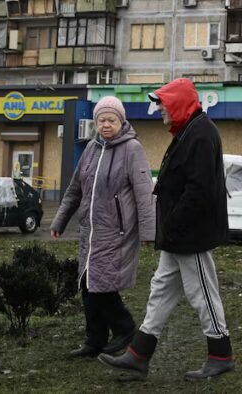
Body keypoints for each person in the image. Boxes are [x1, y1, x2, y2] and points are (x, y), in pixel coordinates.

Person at [99, 78, 234, 381]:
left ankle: (221, 355)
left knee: (203, 293)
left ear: (178, 104)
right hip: (179, 234)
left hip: (190, 234)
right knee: (160, 290)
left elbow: (199, 190)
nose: (159, 110)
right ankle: (138, 355)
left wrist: (171, 223)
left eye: (163, 104)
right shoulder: (191, 131)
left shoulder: (200, 133)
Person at [50, 96, 155, 359]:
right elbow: (75, 189)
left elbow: (144, 193)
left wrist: (148, 231)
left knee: (102, 284)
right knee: (87, 284)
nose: (106, 125)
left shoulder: (132, 149)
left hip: (117, 230)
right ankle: (94, 341)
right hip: (90, 230)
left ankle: (126, 328)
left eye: (111, 120)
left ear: (121, 121)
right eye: (101, 120)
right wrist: (59, 220)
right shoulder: (91, 149)